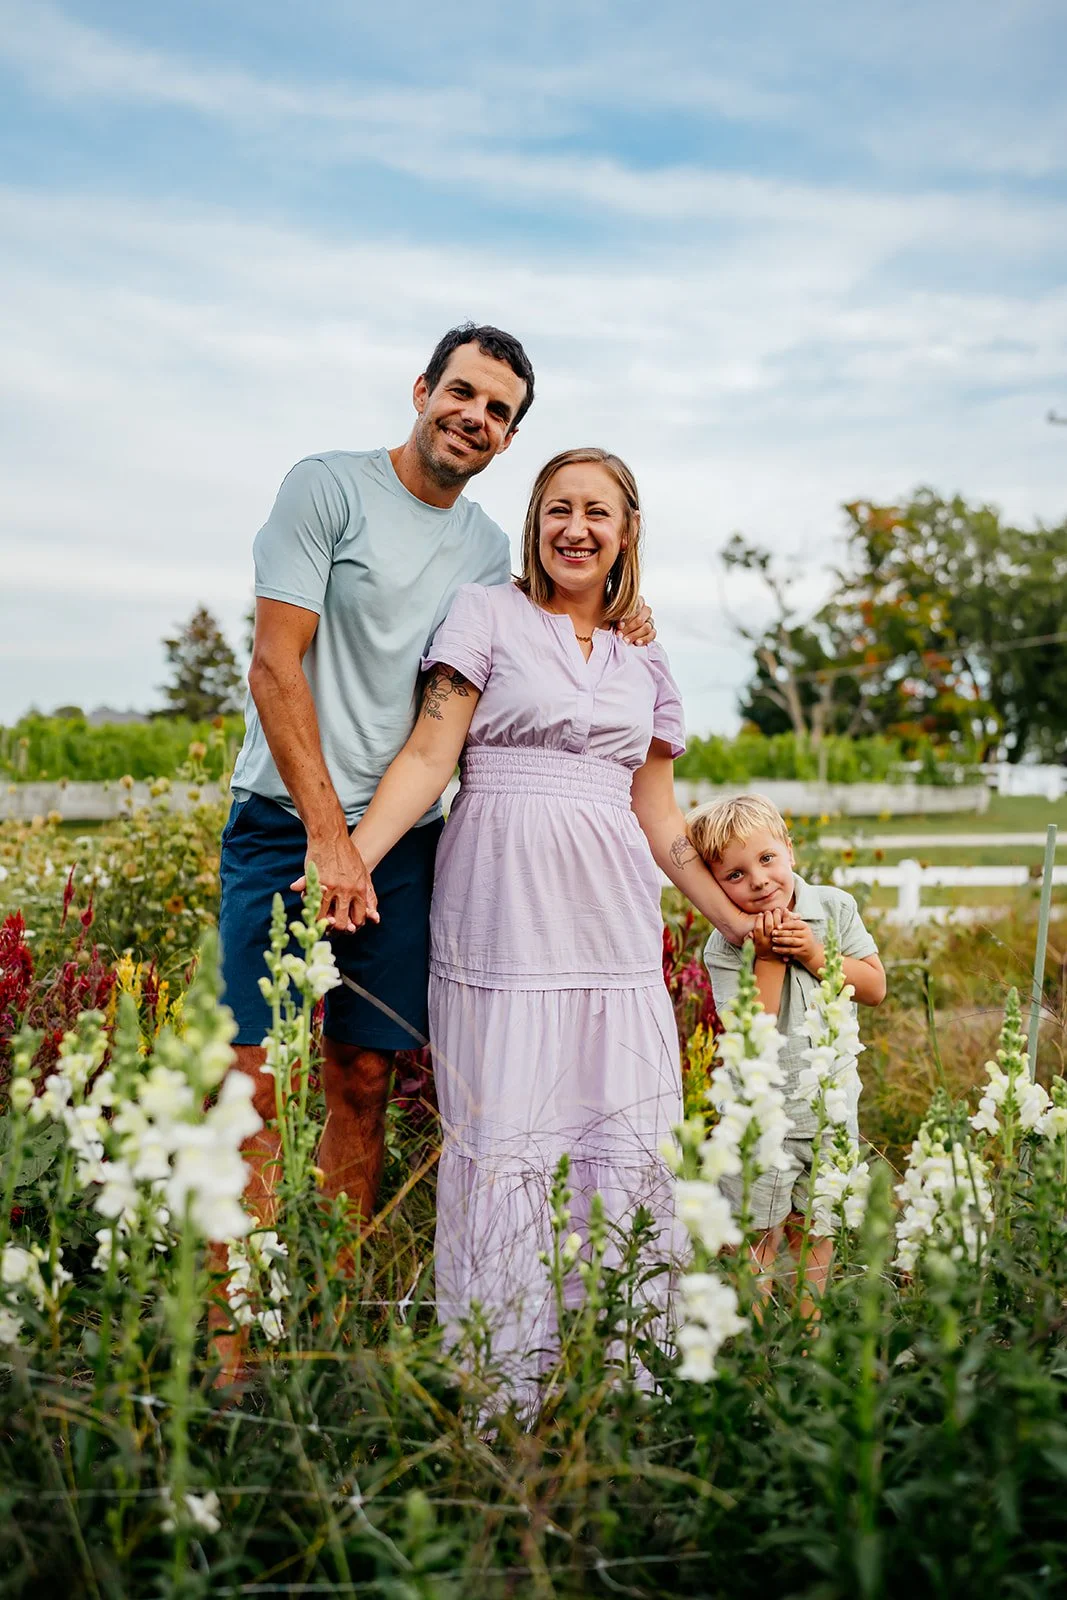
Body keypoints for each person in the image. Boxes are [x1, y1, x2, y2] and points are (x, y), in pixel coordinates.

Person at [213, 329, 653, 1381]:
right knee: (253, 1082)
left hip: (405, 843)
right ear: (421, 390)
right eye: (462, 392)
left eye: (498, 410)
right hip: (285, 825)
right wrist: (329, 839)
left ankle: (325, 1324)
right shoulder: (326, 489)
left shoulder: (487, 553)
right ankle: (235, 1349)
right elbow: (275, 666)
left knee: (363, 1074)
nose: (474, 416)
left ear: (508, 438)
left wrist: (624, 611)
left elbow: (537, 630)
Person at [349, 447, 755, 1394]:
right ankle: (504, 1384)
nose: (575, 528)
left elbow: (659, 816)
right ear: (534, 522)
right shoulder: (483, 614)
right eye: (557, 509)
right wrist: (350, 856)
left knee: (621, 1130)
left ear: (627, 532)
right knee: (507, 1134)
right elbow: (428, 756)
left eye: (596, 512)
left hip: (611, 924)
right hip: (501, 915)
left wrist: (730, 917)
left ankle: (624, 1371)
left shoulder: (643, 653)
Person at [688, 793, 887, 1303]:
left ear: (789, 850)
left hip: (829, 1110)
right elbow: (753, 1032)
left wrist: (816, 954)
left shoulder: (835, 908)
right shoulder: (724, 945)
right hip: (761, 1120)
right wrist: (770, 957)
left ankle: (806, 1329)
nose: (758, 880)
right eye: (735, 874)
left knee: (815, 1230)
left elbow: (874, 988)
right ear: (715, 886)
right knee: (756, 1235)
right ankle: (756, 1341)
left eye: (767, 858)